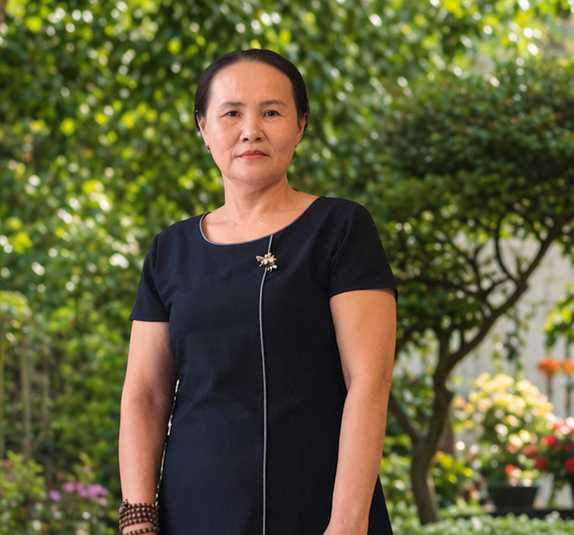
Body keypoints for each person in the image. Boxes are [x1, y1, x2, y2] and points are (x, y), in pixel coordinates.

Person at [119, 49, 397, 535]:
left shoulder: (339, 228)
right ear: (204, 128)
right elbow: (145, 393)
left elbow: (369, 381)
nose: (251, 130)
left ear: (300, 125)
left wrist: (348, 522)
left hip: (318, 505)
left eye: (271, 112)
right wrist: (138, 518)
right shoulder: (170, 250)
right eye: (231, 113)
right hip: (195, 508)